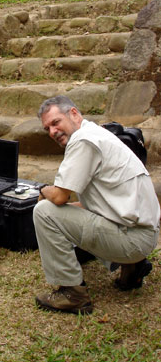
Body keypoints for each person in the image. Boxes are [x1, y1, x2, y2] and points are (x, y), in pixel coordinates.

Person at [33, 95, 160, 315]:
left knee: (44, 211)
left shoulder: (83, 140)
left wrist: (42, 190)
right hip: (145, 234)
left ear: (73, 114)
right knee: (71, 209)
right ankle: (132, 266)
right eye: (47, 129)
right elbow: (96, 203)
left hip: (133, 239)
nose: (52, 132)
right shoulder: (97, 133)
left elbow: (60, 196)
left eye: (55, 123)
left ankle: (72, 295)